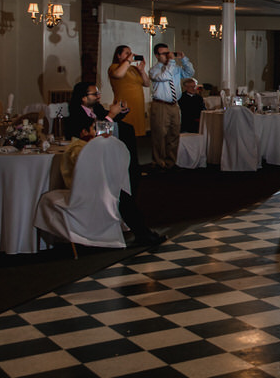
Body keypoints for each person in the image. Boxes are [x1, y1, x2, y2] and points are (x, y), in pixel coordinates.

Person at [64, 81, 163, 245]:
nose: (98, 96)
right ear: (83, 98)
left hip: (104, 157)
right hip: (89, 164)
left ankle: (141, 231)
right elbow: (92, 131)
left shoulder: (96, 109)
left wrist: (120, 111)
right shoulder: (75, 115)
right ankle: (142, 232)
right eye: (94, 94)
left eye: (98, 93)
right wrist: (111, 114)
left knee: (126, 183)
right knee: (121, 192)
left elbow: (107, 119)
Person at [147, 43, 194, 169]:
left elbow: (190, 73)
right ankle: (158, 162)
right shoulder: (154, 70)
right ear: (157, 55)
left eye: (169, 53)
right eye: (164, 54)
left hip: (174, 105)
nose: (168, 56)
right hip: (161, 105)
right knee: (160, 135)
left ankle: (170, 162)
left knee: (174, 134)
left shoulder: (175, 68)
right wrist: (172, 62)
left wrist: (184, 59)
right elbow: (164, 77)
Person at [108, 45, 150, 136]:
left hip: (137, 105)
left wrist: (142, 71)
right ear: (118, 55)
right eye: (127, 53)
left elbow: (147, 84)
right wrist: (128, 60)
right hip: (125, 105)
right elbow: (119, 74)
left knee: (136, 134)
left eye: (130, 53)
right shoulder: (114, 67)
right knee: (126, 132)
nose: (129, 55)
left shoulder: (133, 69)